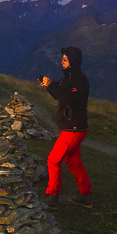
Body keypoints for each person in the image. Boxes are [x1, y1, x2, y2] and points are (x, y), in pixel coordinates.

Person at [38, 47, 92, 208]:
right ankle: (86, 195)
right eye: (62, 58)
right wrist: (49, 85)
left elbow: (68, 98)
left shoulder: (79, 80)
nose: (62, 61)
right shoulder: (68, 77)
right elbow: (59, 95)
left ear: (73, 61)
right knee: (73, 161)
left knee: (53, 160)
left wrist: (52, 85)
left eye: (65, 59)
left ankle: (52, 195)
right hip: (73, 126)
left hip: (73, 127)